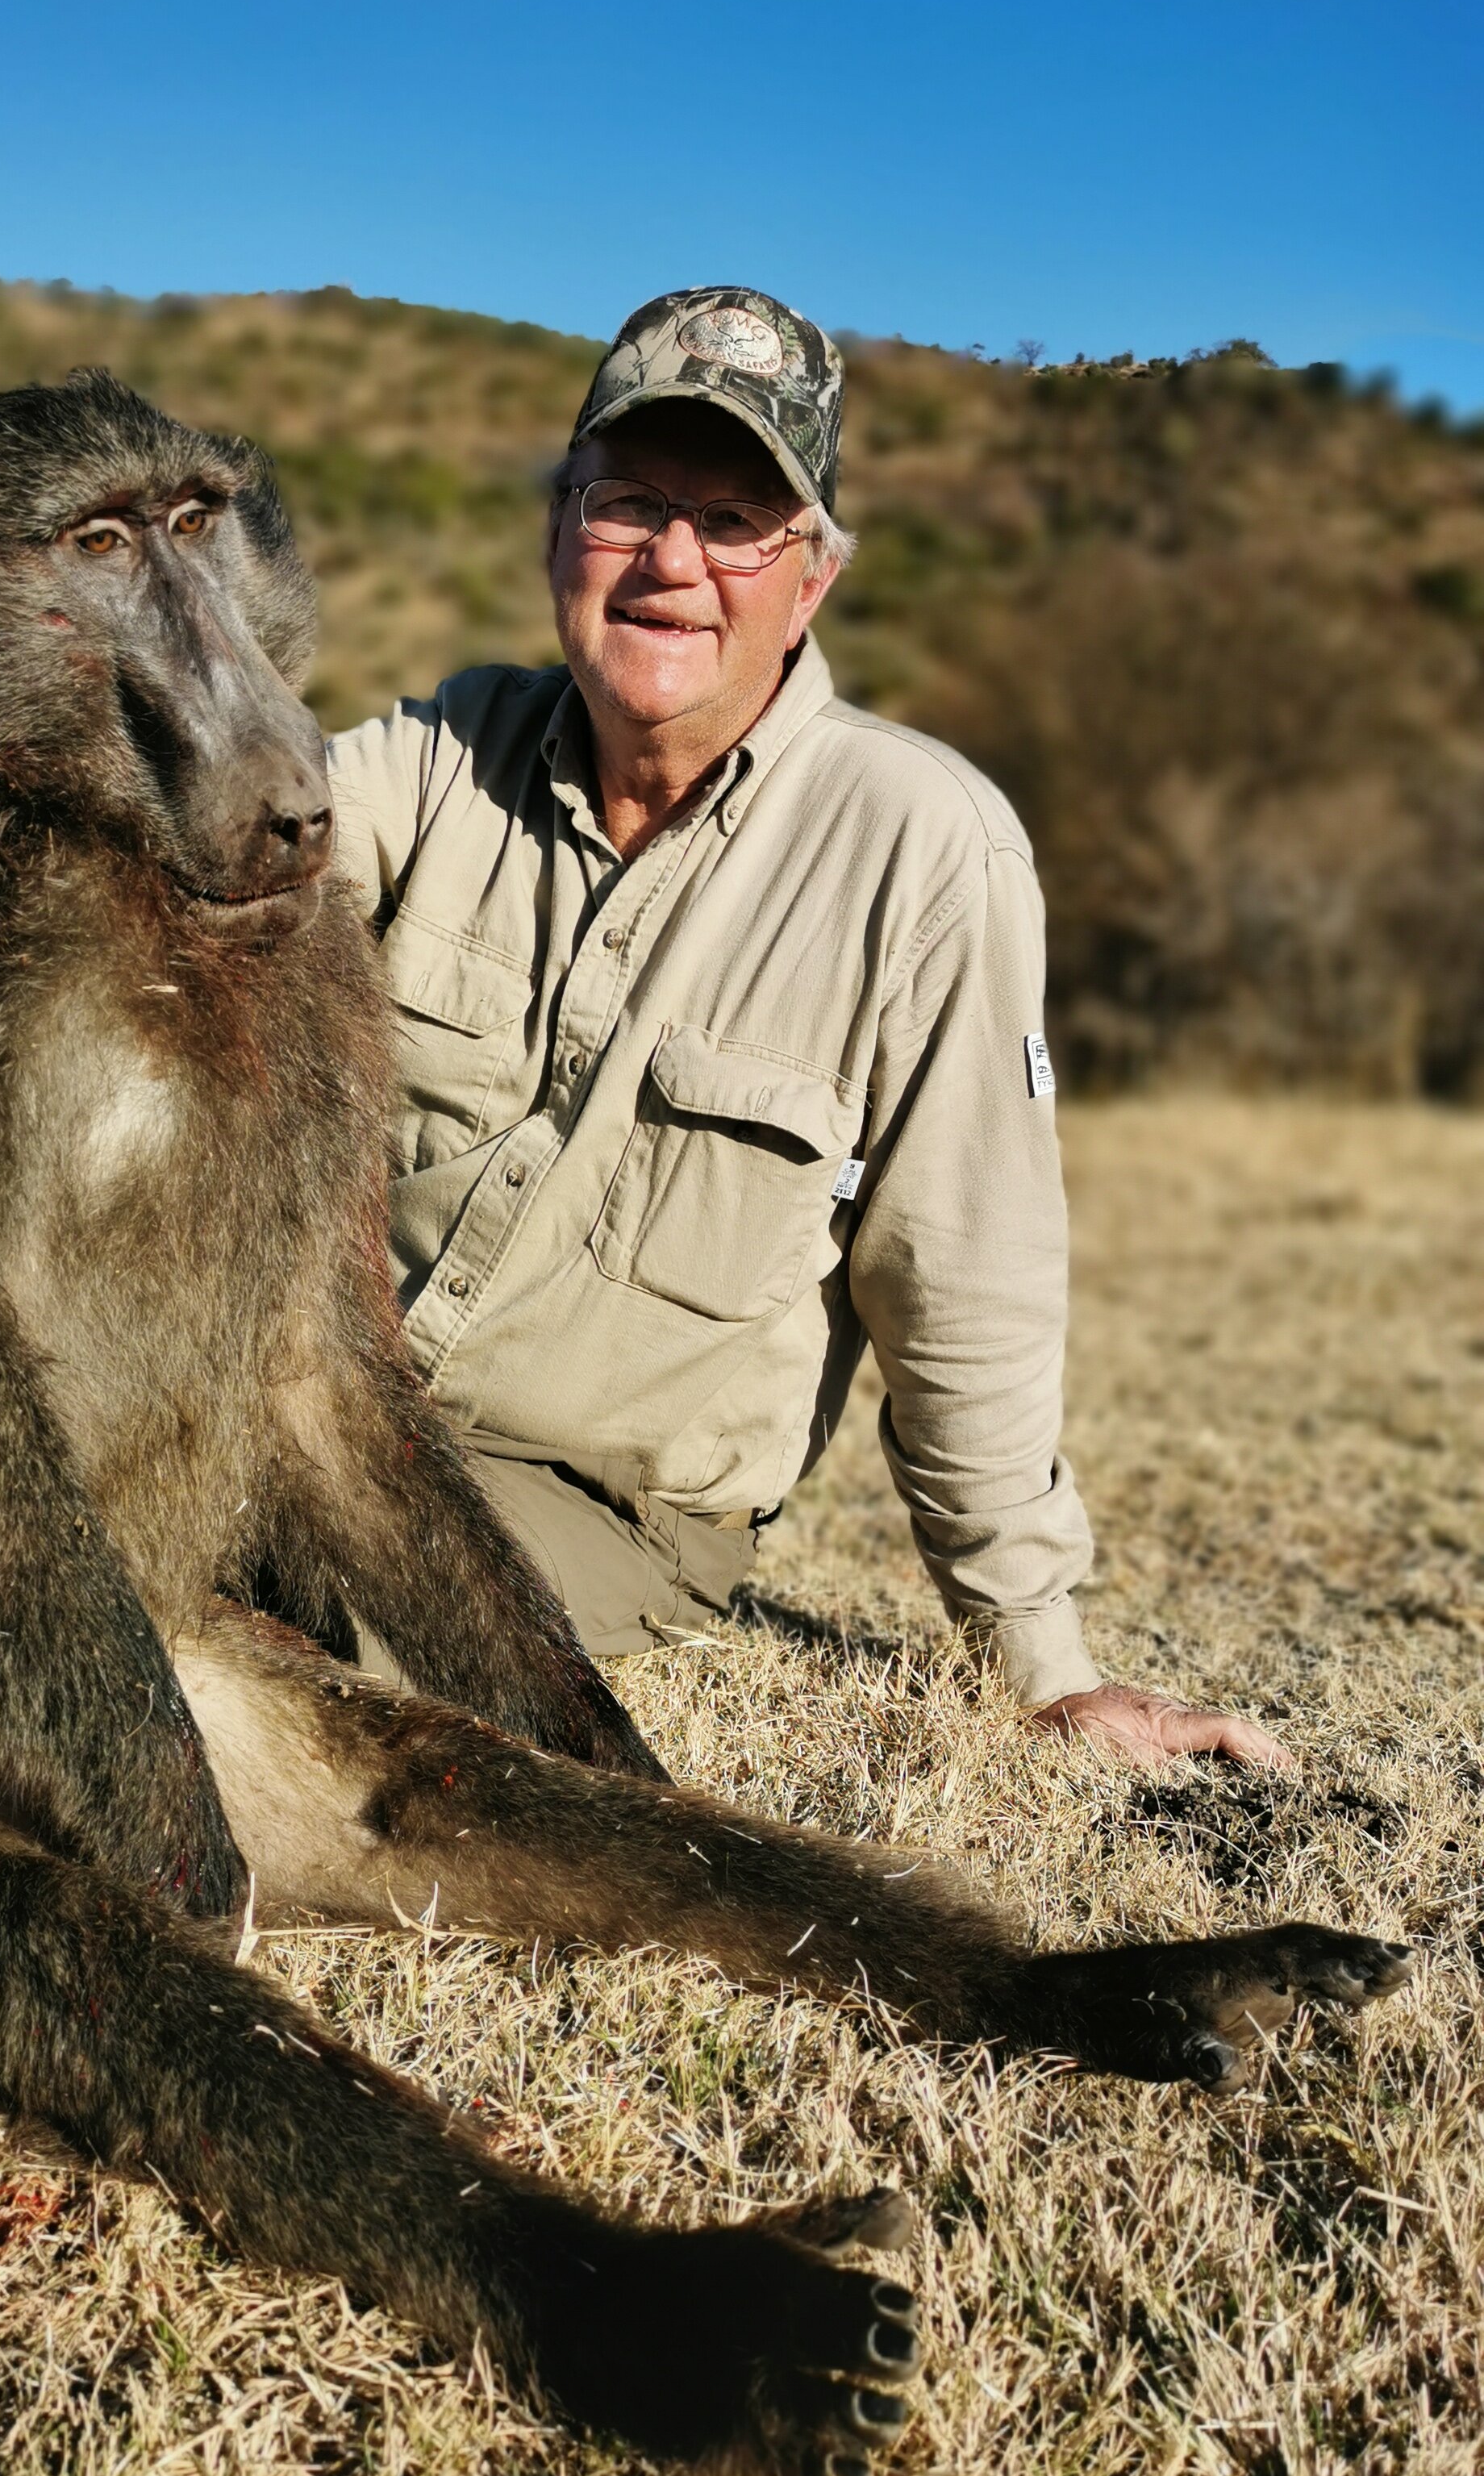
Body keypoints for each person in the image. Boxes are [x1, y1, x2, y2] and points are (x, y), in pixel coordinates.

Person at [325, 285, 1290, 1771]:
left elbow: (962, 1272)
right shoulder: (438, 751)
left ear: (812, 580)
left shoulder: (929, 850)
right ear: (557, 531)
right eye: (629, 500)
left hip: (586, 1502)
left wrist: (1041, 1661)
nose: (674, 561)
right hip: (317, 1405)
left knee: (288, 1613)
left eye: (738, 520)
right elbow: (210, 858)